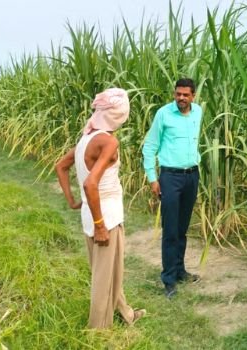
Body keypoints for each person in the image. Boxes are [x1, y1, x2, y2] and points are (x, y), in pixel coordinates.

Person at [55, 87, 145, 329]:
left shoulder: (86, 138)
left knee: (109, 271)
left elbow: (60, 166)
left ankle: (126, 313)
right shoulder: (108, 141)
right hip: (105, 216)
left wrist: (73, 201)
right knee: (103, 279)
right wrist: (100, 226)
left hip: (90, 212)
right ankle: (98, 333)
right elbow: (90, 183)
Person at [142, 78, 203, 298]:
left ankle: (179, 270)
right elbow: (150, 146)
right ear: (174, 94)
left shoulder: (198, 112)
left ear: (193, 96)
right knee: (170, 230)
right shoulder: (164, 114)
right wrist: (152, 178)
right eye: (178, 94)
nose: (181, 98)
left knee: (182, 228)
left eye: (186, 95)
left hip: (191, 176)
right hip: (170, 177)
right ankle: (168, 279)